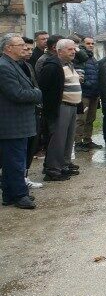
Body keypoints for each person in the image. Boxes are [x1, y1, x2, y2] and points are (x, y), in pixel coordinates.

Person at [1, 34, 42, 209]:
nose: (23, 47)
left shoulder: (15, 64)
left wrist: (33, 91)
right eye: (19, 45)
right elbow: (17, 93)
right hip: (12, 123)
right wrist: (37, 93)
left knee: (14, 160)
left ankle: (10, 194)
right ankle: (19, 195)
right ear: (8, 48)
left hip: (19, 121)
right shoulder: (4, 67)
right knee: (15, 161)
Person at [37, 38, 81, 181]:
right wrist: (50, 109)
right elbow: (45, 88)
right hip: (60, 107)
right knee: (58, 139)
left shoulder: (69, 64)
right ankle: (52, 169)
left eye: (74, 49)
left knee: (68, 139)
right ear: (59, 51)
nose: (73, 52)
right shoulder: (52, 66)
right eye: (70, 49)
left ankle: (63, 165)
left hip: (72, 106)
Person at [17, 38, 44, 190]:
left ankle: (25, 175)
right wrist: (36, 93)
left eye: (30, 49)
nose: (28, 52)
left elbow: (35, 85)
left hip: (34, 110)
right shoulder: (11, 67)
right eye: (25, 48)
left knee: (30, 147)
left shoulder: (27, 65)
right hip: (20, 114)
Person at [74, 36, 101, 151]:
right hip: (84, 93)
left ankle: (87, 140)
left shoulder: (93, 58)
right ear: (82, 44)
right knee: (81, 119)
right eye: (88, 43)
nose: (90, 45)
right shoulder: (79, 56)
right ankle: (78, 142)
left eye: (92, 43)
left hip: (94, 93)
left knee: (91, 118)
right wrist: (87, 83)